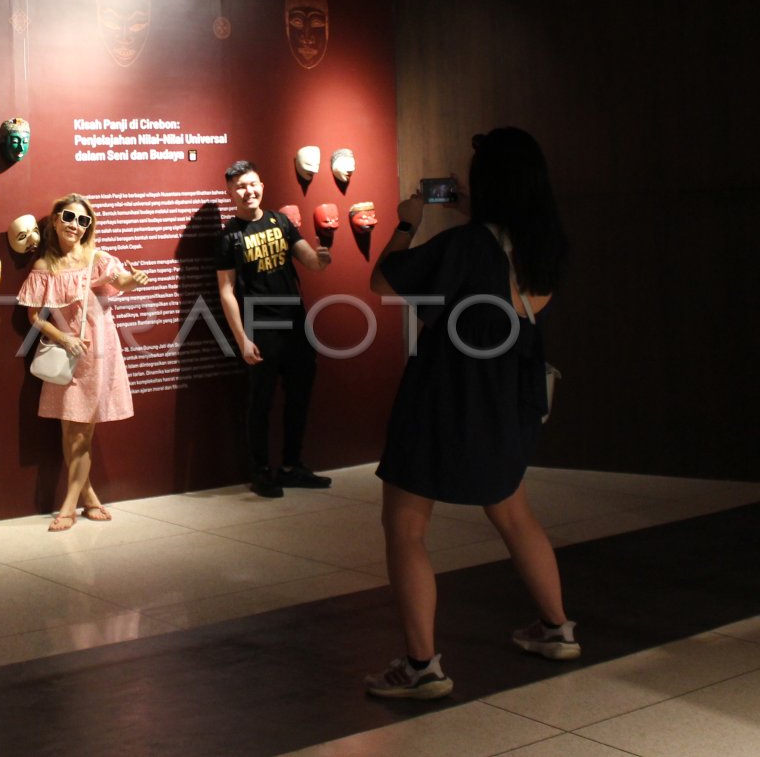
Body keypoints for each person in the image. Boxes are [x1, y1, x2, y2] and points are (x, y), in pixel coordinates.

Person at [364, 127, 575, 700]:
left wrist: (409, 220)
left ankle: (421, 666)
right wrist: (469, 216)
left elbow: (383, 279)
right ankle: (557, 629)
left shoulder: (466, 246)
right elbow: (495, 273)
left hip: (445, 396)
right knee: (513, 512)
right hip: (511, 398)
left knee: (406, 526)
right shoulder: (546, 246)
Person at [17, 195, 149, 531]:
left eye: (83, 220)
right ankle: (87, 498)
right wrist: (64, 338)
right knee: (71, 429)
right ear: (56, 219)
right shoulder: (45, 266)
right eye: (70, 217)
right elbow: (34, 316)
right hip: (69, 352)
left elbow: (120, 282)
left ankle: (69, 505)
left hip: (99, 349)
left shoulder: (97, 258)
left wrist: (133, 281)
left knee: (83, 431)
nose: (76, 225)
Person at [215, 160, 333, 498]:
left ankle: (293, 466)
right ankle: (261, 471)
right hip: (259, 325)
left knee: (299, 397)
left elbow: (310, 261)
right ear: (230, 192)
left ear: (262, 185)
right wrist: (241, 339)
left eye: (252, 184)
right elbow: (226, 291)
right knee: (260, 402)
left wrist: (322, 259)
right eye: (240, 186)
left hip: (295, 322)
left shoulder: (281, 222)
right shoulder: (229, 236)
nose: (247, 191)